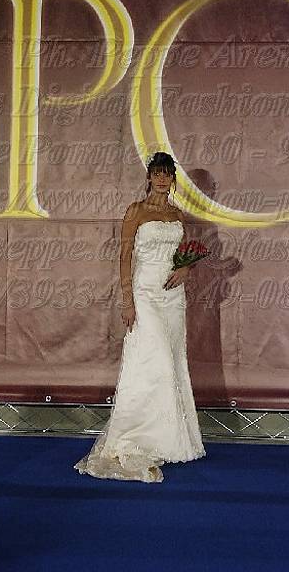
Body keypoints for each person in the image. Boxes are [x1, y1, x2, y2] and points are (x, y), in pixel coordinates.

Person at [75, 152, 206, 482]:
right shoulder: (136, 211)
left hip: (173, 296)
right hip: (144, 293)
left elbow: (182, 254)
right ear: (148, 177)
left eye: (167, 174)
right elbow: (125, 256)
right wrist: (127, 300)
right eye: (156, 173)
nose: (161, 179)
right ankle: (138, 435)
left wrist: (187, 269)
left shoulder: (177, 214)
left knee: (173, 359)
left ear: (172, 179)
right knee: (153, 359)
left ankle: (170, 439)